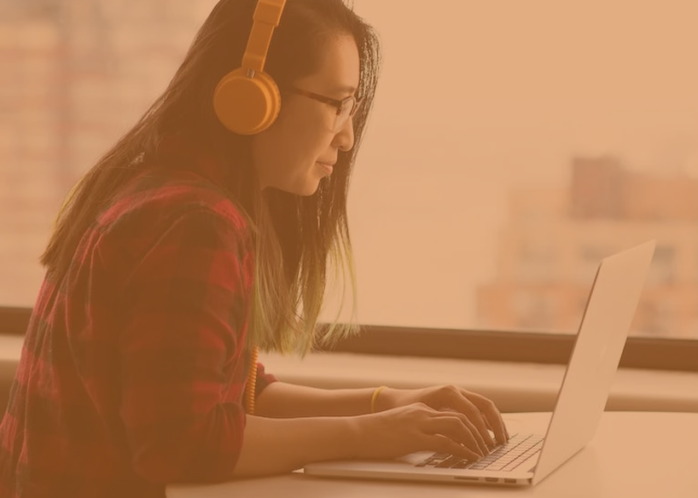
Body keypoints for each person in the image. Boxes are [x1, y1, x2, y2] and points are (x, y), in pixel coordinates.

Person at [0, 0, 508, 496]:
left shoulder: (154, 188)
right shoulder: (195, 223)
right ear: (252, 97)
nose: (348, 137)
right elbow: (182, 443)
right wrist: (371, 435)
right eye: (336, 104)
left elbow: (236, 392)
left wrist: (385, 404)